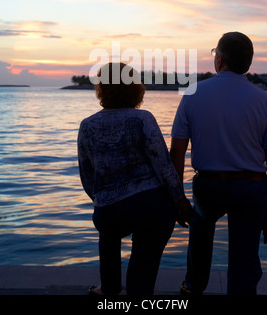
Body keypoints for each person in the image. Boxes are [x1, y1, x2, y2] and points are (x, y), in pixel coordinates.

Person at [170, 32, 267, 295]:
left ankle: (192, 288)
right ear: (248, 62)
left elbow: (177, 152)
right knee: (244, 260)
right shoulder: (264, 101)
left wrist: (178, 199)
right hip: (251, 188)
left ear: (219, 59)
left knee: (199, 246)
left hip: (208, 186)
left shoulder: (192, 94)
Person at [77, 62, 190, 296]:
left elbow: (87, 178)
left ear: (102, 89)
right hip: (150, 206)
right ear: (135, 88)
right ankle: (138, 292)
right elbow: (164, 167)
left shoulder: (87, 125)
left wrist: (104, 200)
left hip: (110, 210)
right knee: (146, 253)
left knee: (108, 234)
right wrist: (180, 201)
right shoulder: (143, 119)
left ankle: (109, 288)